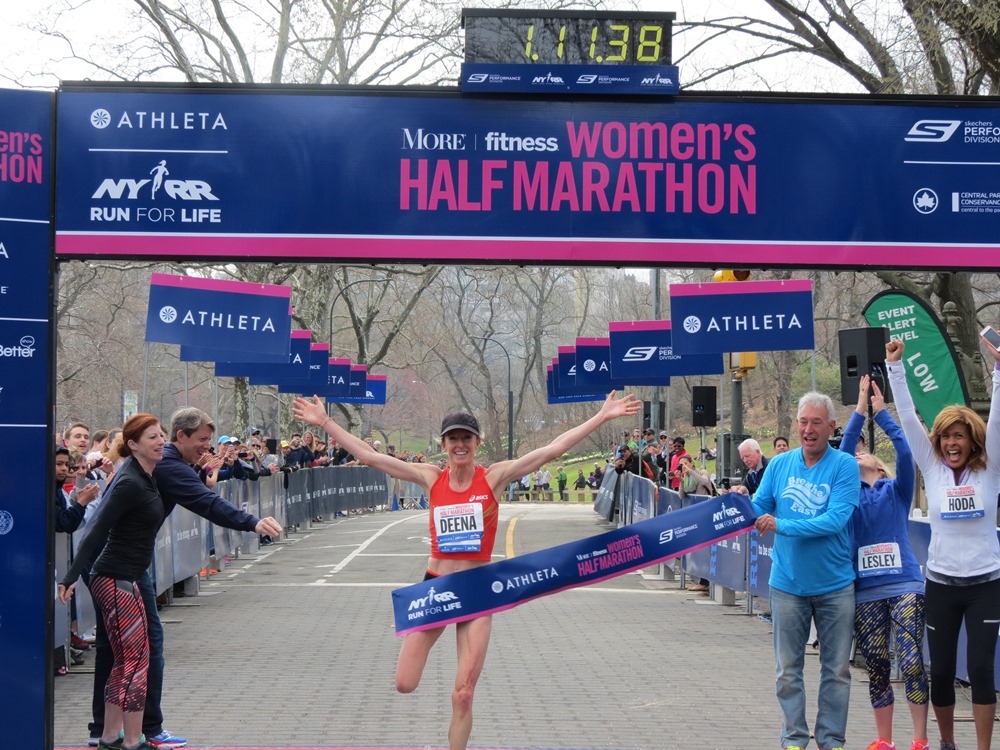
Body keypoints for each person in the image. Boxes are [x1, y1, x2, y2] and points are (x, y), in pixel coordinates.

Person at [292, 389, 640, 750]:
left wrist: (601, 416)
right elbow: (370, 455)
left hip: (477, 590)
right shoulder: (431, 477)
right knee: (404, 683)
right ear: (443, 444)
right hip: (436, 587)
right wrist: (326, 422)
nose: (460, 444)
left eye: (466, 438)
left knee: (463, 694)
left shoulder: (493, 478)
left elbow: (551, 450)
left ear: (477, 442)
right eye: (453, 438)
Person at [82, 408, 283, 749]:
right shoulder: (168, 466)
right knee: (143, 648)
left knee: (119, 651)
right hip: (115, 565)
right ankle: (141, 730)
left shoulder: (165, 465)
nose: (207, 447)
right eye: (202, 440)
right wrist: (251, 522)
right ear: (180, 437)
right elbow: (207, 502)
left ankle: (108, 731)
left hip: (117, 562)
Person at [886, 338, 1000, 750]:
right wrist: (895, 368)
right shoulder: (932, 468)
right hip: (942, 584)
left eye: (961, 436)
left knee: (982, 669)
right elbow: (909, 421)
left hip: (986, 584)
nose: (953, 443)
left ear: (973, 441)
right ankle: (948, 743)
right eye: (947, 436)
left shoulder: (991, 472)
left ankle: (985, 747)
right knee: (942, 670)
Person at [751, 391, 860, 750]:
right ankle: (794, 739)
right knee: (787, 671)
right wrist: (740, 500)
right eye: (803, 422)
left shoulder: (844, 465)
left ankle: (831, 741)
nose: (808, 429)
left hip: (834, 585)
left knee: (837, 671)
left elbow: (835, 520)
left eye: (816, 422)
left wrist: (781, 525)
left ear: (831, 426)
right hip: (787, 584)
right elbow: (759, 506)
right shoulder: (780, 465)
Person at [60, 414, 167, 750]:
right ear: (133, 445)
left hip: (125, 577)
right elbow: (96, 530)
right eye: (152, 437)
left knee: (126, 660)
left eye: (162, 435)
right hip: (116, 578)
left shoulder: (145, 477)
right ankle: (133, 741)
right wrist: (71, 576)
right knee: (136, 660)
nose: (161, 441)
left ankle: (110, 738)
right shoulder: (129, 482)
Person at [840, 374, 927, 750]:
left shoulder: (897, 490)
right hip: (866, 591)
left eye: (866, 454)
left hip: (905, 584)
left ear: (879, 466)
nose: (860, 454)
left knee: (909, 660)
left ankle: (920, 739)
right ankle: (884, 739)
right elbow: (842, 453)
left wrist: (881, 413)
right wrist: (859, 410)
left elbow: (906, 453)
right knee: (875, 664)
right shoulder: (848, 494)